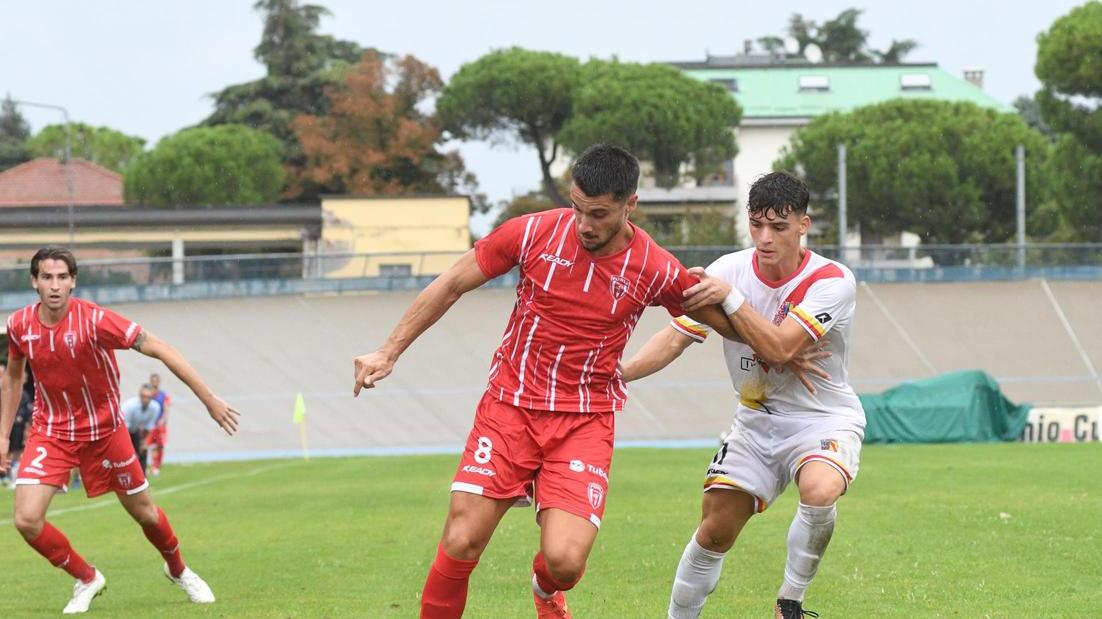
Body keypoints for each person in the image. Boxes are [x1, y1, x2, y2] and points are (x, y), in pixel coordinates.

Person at [353, 144, 753, 619]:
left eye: (599, 214)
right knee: (461, 539)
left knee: (565, 562)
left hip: (583, 422)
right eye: (578, 208)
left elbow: (730, 327)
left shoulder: (655, 268)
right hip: (509, 407)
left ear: (630, 205)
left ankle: (546, 590)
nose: (585, 224)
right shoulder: (534, 232)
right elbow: (452, 283)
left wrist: (729, 298)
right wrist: (389, 349)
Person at [621, 171, 864, 619]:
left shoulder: (832, 280)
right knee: (714, 532)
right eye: (756, 225)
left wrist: (730, 302)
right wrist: (620, 374)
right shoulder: (728, 269)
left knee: (820, 486)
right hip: (755, 418)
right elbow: (677, 336)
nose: (765, 238)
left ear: (804, 225)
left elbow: (780, 347)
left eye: (779, 227)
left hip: (822, 418)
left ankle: (789, 603)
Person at [0, 247, 241, 614]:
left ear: (73, 281)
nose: (54, 285)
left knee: (145, 513)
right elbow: (13, 378)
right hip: (52, 433)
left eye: (62, 277)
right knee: (26, 519)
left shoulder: (95, 321)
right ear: (34, 281)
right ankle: (86, 577)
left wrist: (209, 399)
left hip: (105, 432)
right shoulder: (18, 326)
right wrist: (3, 436)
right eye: (46, 277)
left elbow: (159, 347)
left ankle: (178, 569)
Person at [121, 384, 161, 474]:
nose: (145, 400)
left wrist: (144, 442)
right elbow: (124, 429)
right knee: (126, 454)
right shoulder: (130, 406)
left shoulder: (155, 408)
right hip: (121, 431)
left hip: (134, 430)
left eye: (148, 397)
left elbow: (148, 427)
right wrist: (129, 447)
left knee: (143, 450)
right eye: (143, 397)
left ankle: (143, 482)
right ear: (139, 396)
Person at [146, 372, 170, 476]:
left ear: (158, 382)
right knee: (146, 445)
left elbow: (166, 409)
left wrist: (163, 421)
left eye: (156, 380)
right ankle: (145, 465)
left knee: (160, 446)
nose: (154, 382)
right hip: (149, 424)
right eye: (153, 380)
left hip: (159, 425)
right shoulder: (147, 395)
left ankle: (156, 466)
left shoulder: (163, 395)